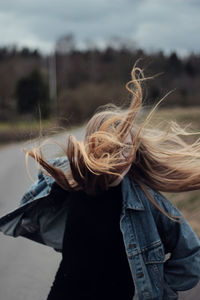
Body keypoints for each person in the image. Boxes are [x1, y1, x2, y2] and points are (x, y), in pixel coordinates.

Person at [0, 65, 200, 300]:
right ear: (93, 150)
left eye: (127, 148)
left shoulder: (147, 202)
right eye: (110, 149)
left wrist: (158, 289)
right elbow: (37, 218)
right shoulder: (69, 186)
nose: (121, 157)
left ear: (136, 153)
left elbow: (191, 257)